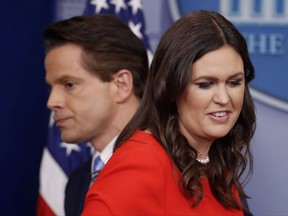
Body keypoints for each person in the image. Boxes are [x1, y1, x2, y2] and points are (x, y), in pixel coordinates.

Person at [82, 10, 256, 215]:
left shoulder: (216, 165)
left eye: (234, 82)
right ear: (172, 88)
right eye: (205, 84)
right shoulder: (142, 162)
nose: (224, 98)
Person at [43, 14, 149, 216]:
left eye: (69, 85)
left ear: (121, 85)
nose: (52, 102)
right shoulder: (77, 184)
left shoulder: (178, 167)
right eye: (51, 88)